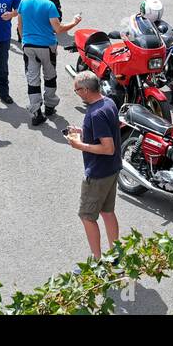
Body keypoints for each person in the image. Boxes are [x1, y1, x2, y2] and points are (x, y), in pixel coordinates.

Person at [65, 70, 122, 261]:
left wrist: (79, 144)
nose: (77, 93)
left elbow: (108, 148)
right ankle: (116, 256)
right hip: (112, 169)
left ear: (86, 90)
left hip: (98, 174)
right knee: (107, 212)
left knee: (87, 217)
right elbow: (106, 130)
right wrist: (82, 130)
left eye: (77, 90)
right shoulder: (108, 103)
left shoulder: (95, 113)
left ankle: (96, 261)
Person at [17, 0, 81, 126]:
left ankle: (36, 111)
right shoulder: (49, 5)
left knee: (32, 78)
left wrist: (23, 40)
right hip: (46, 46)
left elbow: (20, 24)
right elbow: (58, 28)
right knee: (50, 76)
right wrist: (74, 22)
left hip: (28, 45)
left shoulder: (24, 1)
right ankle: (50, 106)